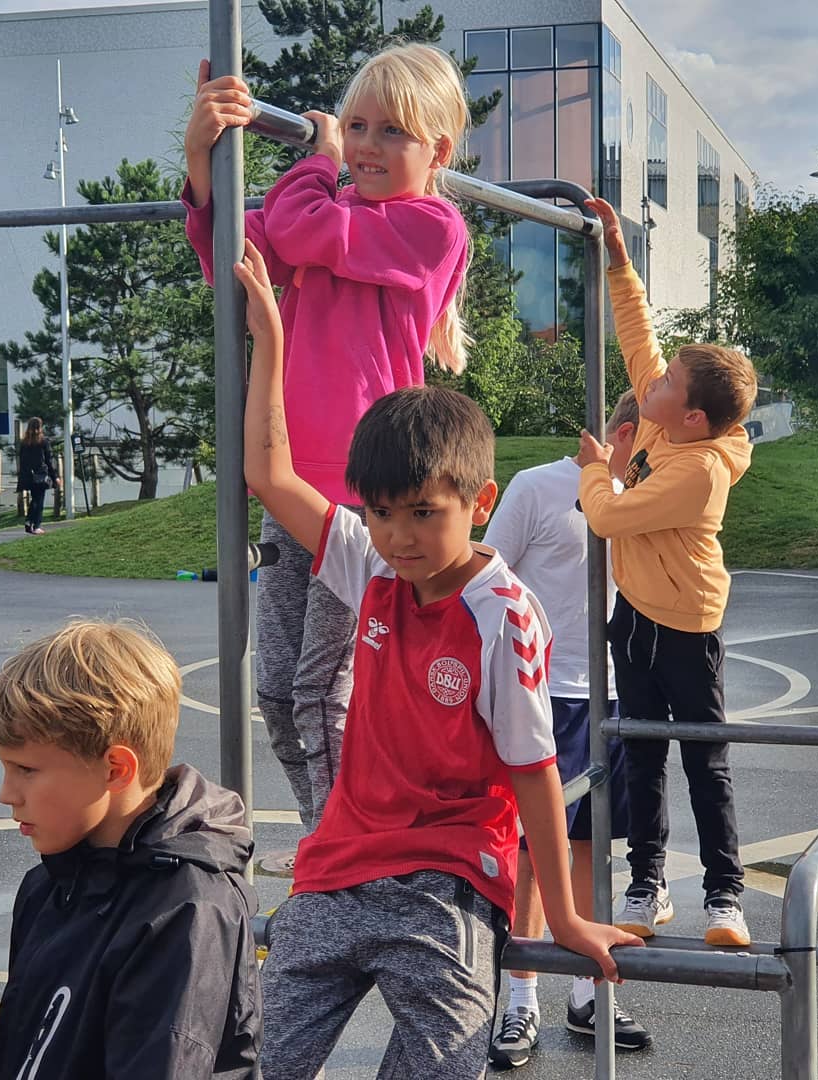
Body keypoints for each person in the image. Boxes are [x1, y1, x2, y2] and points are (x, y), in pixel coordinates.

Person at [235, 238, 641, 1080]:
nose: (399, 536)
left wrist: (561, 918)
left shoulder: (502, 616)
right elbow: (269, 475)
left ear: (479, 502)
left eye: (423, 513)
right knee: (259, 1058)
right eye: (381, 513)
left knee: (439, 1066)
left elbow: (533, 772)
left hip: (448, 878)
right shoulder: (372, 562)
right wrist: (270, 337)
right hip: (341, 864)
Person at [183, 43, 472, 852]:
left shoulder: (428, 226)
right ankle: (333, 836)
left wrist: (318, 158)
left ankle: (356, 848)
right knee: (277, 690)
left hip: (364, 501)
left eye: (392, 133)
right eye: (356, 126)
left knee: (325, 690)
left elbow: (301, 228)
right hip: (289, 491)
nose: (366, 146)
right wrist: (204, 160)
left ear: (438, 153)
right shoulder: (331, 216)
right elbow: (234, 254)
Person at [576, 196, 759, 950]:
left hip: (689, 625)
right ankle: (646, 884)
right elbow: (638, 336)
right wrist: (619, 256)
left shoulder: (702, 472)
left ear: (692, 419)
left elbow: (610, 516)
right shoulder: (664, 413)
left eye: (664, 385)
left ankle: (725, 895)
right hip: (638, 618)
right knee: (639, 754)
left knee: (702, 760)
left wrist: (598, 471)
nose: (648, 382)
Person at [0, 620, 261, 1079]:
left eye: (25, 769)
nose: (6, 793)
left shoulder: (186, 912)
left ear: (115, 769)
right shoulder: (48, 884)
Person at [483, 390, 650, 1068]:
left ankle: (587, 990)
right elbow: (486, 573)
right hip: (542, 696)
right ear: (630, 433)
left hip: (610, 698)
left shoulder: (648, 497)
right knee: (527, 854)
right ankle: (520, 998)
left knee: (588, 848)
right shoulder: (537, 487)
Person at [16, 417, 59, 535]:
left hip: (28, 475)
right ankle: (36, 524)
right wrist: (54, 477)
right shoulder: (43, 442)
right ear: (39, 428)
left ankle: (29, 521)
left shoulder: (24, 443)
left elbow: (22, 460)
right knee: (39, 500)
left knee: (34, 499)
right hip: (40, 475)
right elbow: (48, 461)